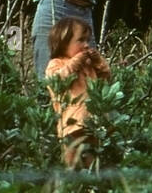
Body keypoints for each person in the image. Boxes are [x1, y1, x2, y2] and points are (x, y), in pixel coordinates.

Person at [44, 17, 111, 169]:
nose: (86, 45)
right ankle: (72, 186)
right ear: (63, 42)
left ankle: (91, 186)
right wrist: (75, 62)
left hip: (92, 120)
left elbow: (106, 77)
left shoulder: (87, 64)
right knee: (71, 160)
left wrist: (98, 61)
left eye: (88, 40)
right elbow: (57, 81)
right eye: (80, 40)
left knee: (92, 160)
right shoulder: (56, 64)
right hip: (71, 124)